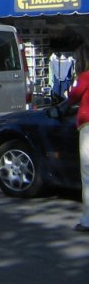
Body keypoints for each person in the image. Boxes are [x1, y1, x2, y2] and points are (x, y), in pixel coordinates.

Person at [59, 71, 89, 232]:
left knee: (88, 175)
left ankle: (87, 221)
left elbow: (72, 98)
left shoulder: (86, 76)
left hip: (88, 127)